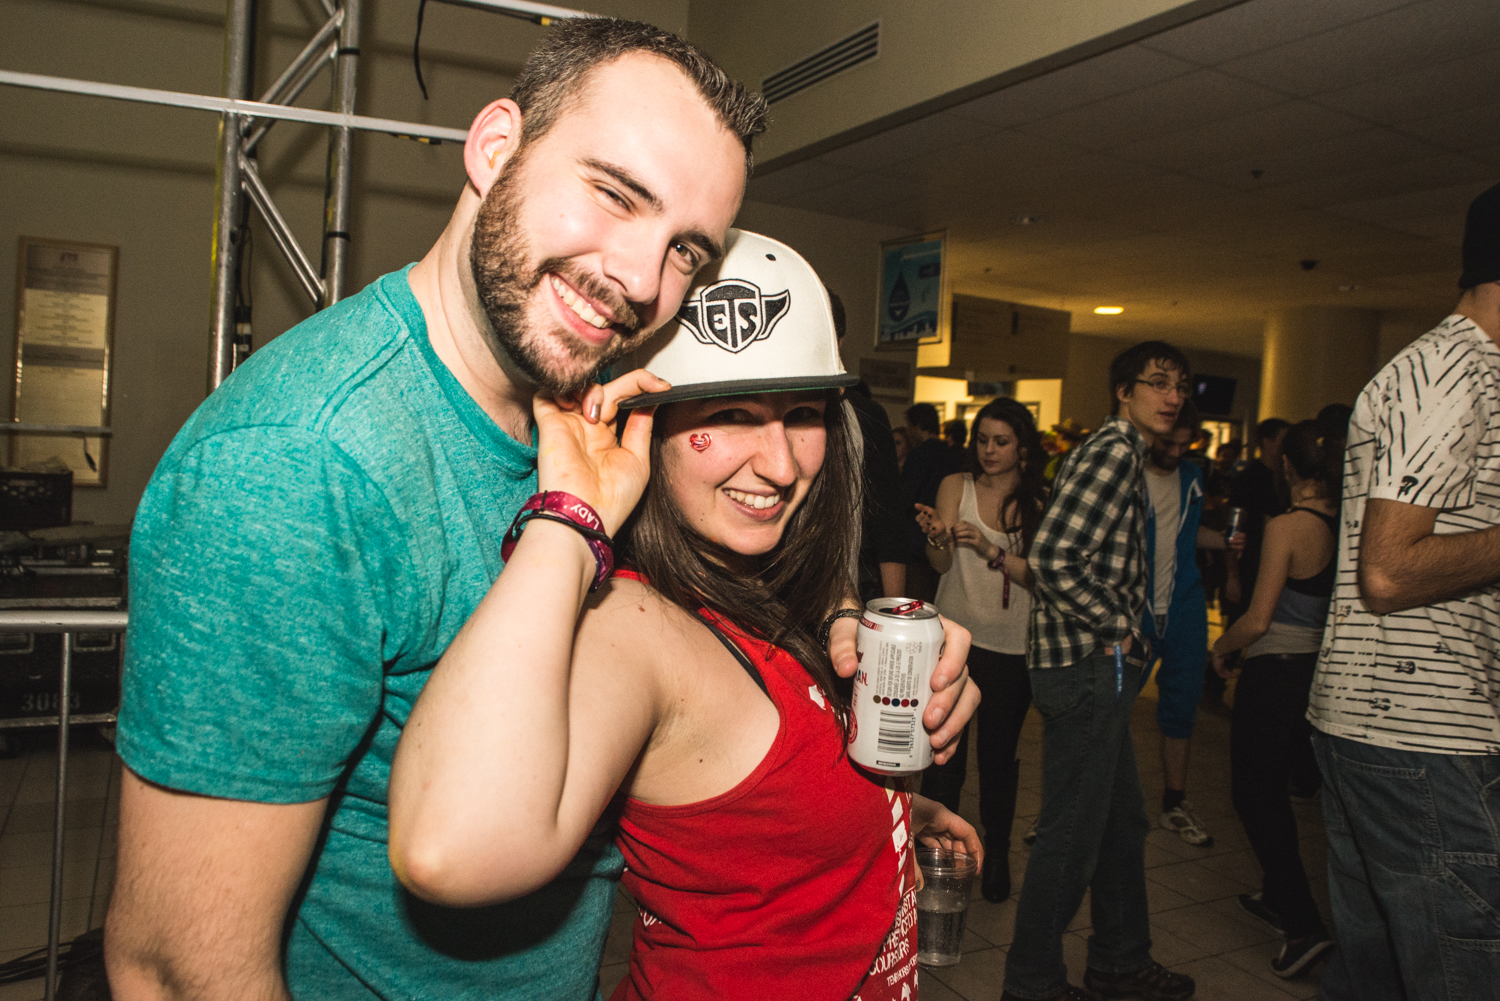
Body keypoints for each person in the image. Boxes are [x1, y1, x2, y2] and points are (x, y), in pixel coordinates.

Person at [105, 23, 977, 1000]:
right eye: (613, 192)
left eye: (685, 247)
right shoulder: (302, 461)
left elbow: (695, 630)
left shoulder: (587, 398)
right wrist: (565, 522)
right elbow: (178, 968)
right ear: (492, 148)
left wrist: (855, 657)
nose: (641, 279)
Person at [387, 231, 981, 1000]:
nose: (780, 462)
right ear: (646, 423)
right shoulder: (634, 625)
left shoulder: (771, 587)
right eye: (730, 413)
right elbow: (446, 849)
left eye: (802, 412)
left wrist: (891, 811)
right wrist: (570, 516)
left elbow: (751, 820)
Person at [1307, 179, 1500, 1001]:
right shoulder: (1459, 369)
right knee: (1462, 967)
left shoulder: (1441, 366)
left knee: (1373, 969)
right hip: (1425, 735)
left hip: (1379, 722)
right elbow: (1388, 570)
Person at [1003, 341, 1197, 1001]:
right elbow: (1054, 558)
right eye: (1157, 382)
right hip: (1087, 663)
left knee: (1119, 823)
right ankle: (1030, 982)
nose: (1172, 396)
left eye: (1180, 386)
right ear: (1124, 390)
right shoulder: (1115, 452)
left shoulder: (1126, 454)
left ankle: (1119, 957)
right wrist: (1120, 624)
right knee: (1070, 837)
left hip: (1094, 666)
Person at [1210, 421, 1339, 978]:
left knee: (1255, 795)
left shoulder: (1290, 525)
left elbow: (1258, 619)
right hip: (1314, 671)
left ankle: (1303, 925)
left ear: (1286, 467)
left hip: (1275, 672)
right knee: (1280, 788)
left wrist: (1222, 645)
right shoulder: (1347, 522)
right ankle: (1275, 895)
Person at [913, 398, 1046, 902]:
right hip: (954, 644)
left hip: (1012, 650)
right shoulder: (956, 486)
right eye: (983, 440)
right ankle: (938, 859)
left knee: (999, 761)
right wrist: (939, 537)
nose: (989, 451)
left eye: (1001, 441)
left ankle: (996, 854)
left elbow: (1040, 575)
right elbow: (940, 564)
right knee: (944, 759)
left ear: (1022, 447)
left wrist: (992, 551)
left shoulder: (1037, 501)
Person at [1141, 401, 1215, 848]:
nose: (1176, 450)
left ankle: (1174, 801)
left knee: (1181, 707)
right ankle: (1072, 804)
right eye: (1170, 442)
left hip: (1185, 605)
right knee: (1108, 710)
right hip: (1137, 607)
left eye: (1185, 444)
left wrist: (1224, 543)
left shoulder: (1192, 478)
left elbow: (1184, 534)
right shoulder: (1130, 476)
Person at [830, 288, 906, 601]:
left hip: (847, 588)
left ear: (841, 341)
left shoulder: (866, 416)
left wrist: (893, 616)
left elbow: (888, 520)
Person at [901, 403, 962, 601]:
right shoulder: (953, 455)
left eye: (910, 427)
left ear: (918, 426)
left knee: (915, 603)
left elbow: (907, 496)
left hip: (918, 539)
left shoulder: (918, 456)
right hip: (948, 537)